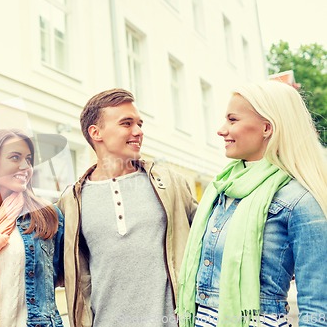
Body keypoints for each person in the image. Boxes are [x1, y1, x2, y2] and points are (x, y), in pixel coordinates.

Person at [177, 81, 327, 327]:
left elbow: (318, 306)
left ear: (267, 127)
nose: (221, 130)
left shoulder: (300, 199)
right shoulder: (222, 188)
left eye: (232, 120)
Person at [57, 88, 198, 327]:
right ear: (96, 132)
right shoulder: (70, 202)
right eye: (126, 123)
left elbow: (213, 241)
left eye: (139, 124)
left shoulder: (171, 184)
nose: (138, 132)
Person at [0, 129, 65, 327]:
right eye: (15, 157)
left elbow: (60, 277)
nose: (26, 166)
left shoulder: (46, 215)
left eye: (29, 159)